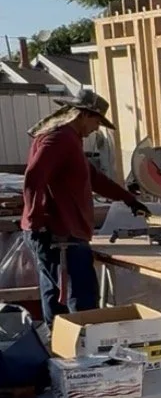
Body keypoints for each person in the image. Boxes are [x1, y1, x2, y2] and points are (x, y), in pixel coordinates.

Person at [21, 90, 147, 324]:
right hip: (59, 235)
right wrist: (37, 218)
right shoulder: (59, 138)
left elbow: (94, 178)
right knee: (80, 300)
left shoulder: (70, 139)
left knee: (57, 295)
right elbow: (34, 176)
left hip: (61, 233)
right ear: (82, 114)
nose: (97, 128)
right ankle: (83, 353)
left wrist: (128, 198)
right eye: (96, 121)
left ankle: (62, 350)